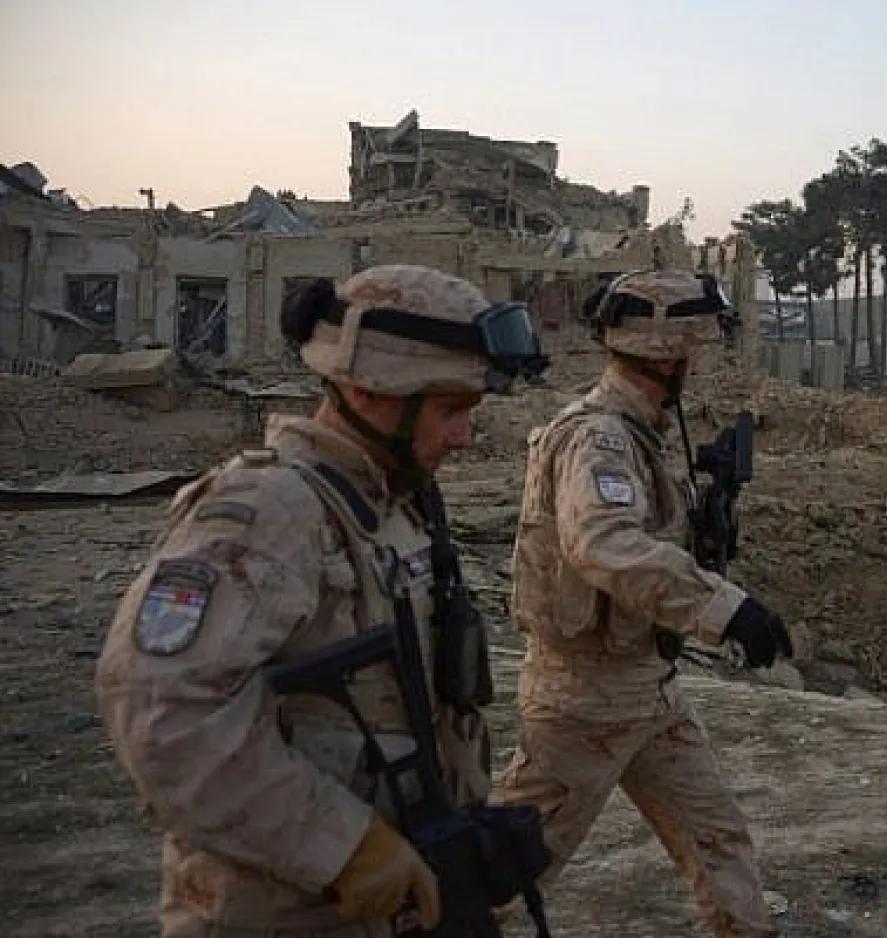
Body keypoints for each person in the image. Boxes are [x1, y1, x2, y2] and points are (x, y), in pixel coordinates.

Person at [95, 264, 548, 937]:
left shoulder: (389, 505)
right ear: (368, 392)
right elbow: (161, 715)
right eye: (452, 410)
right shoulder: (269, 512)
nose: (462, 437)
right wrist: (344, 846)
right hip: (285, 909)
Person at [498, 268, 792, 938]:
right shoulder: (596, 437)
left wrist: (700, 498)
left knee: (716, 837)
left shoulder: (641, 434)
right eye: (694, 353)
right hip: (583, 698)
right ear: (669, 357)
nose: (698, 367)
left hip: (646, 686)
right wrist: (725, 610)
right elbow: (602, 544)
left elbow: (643, 528)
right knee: (507, 872)